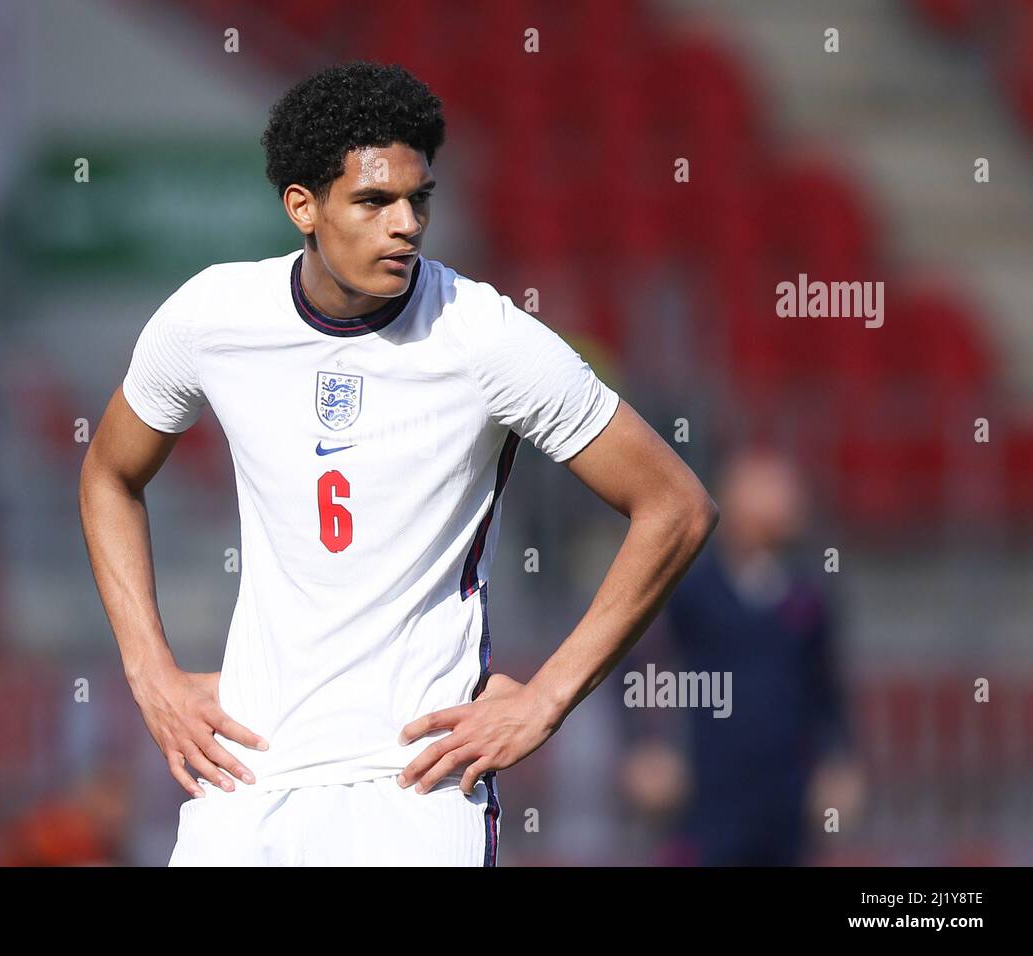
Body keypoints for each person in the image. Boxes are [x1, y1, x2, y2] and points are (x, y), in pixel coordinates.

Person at [78, 61, 718, 866]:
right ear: (302, 207)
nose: (406, 224)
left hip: (413, 789)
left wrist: (550, 697)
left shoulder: (484, 336)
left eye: (420, 200)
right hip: (244, 781)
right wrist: (152, 674)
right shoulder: (214, 316)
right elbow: (109, 474)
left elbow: (676, 504)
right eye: (374, 201)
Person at [619, 446, 864, 865]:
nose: (787, 497)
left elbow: (827, 690)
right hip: (704, 804)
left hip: (785, 805)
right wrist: (644, 746)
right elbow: (634, 662)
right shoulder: (690, 588)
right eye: (770, 486)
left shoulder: (808, 597)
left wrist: (839, 762)